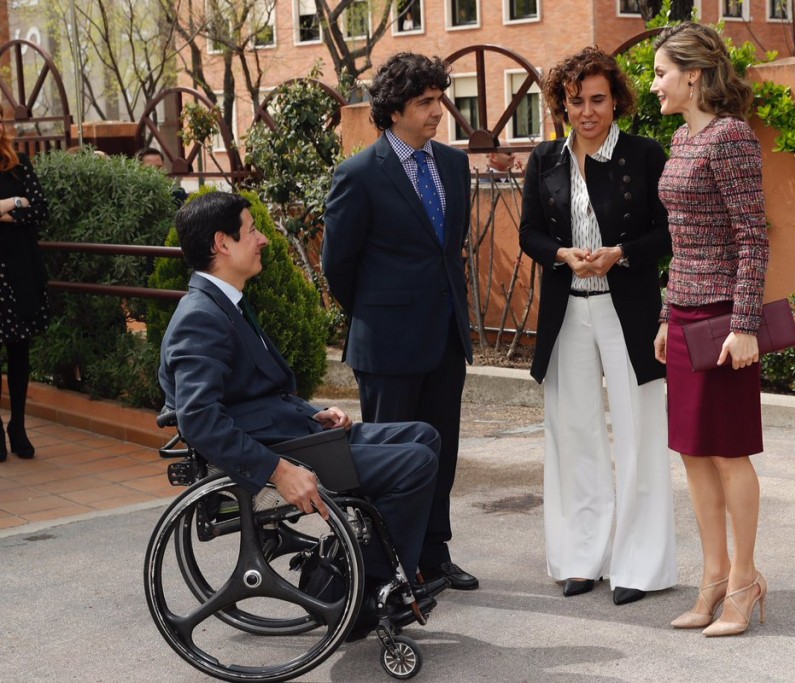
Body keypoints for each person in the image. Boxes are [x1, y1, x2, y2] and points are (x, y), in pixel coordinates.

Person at [158, 192, 448, 630]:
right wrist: (278, 471)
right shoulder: (200, 316)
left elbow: (255, 393)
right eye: (252, 230)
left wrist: (314, 413)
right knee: (415, 463)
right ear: (222, 243)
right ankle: (365, 597)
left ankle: (380, 574)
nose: (263, 240)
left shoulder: (223, 303)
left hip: (288, 432)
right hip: (273, 453)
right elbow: (199, 419)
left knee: (425, 435)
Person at [519, 46, 676, 606]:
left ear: (616, 100)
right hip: (568, 312)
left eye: (598, 100)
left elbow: (668, 232)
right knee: (575, 435)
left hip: (627, 310)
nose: (587, 111)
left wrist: (621, 253)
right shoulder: (544, 160)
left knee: (640, 434)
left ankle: (640, 564)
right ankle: (581, 557)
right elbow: (529, 234)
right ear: (562, 102)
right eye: (576, 100)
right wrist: (563, 254)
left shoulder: (644, 154)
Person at [322, 52, 478, 590]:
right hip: (386, 345)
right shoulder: (359, 175)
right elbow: (337, 265)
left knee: (443, 451)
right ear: (394, 110)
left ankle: (434, 557)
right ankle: (392, 565)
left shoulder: (455, 167)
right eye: (426, 102)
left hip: (446, 338)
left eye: (440, 99)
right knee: (390, 461)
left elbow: (447, 251)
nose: (439, 112)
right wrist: (376, 313)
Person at [650, 22, 770, 636]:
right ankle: (713, 580)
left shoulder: (731, 138)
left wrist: (745, 323)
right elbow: (682, 241)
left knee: (729, 455)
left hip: (726, 321)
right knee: (694, 455)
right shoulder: (680, 139)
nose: (654, 85)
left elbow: (753, 236)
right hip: (689, 318)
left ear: (693, 75)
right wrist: (669, 314)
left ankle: (745, 584)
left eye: (661, 72)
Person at [0, 112, 50, 462]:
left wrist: (9, 210)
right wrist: (15, 203)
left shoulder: (18, 165)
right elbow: (27, 207)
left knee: (20, 352)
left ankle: (17, 425)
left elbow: (41, 209)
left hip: (18, 270)